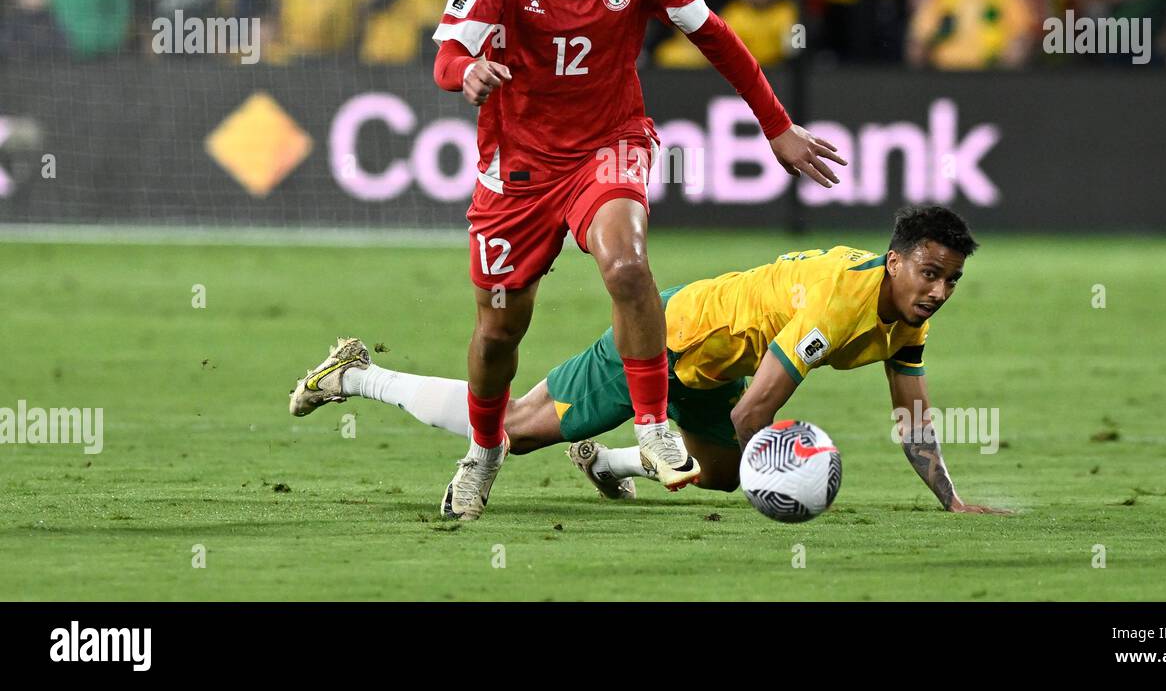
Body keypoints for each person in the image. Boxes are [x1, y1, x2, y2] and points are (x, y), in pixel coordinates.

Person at [297, 0, 843, 520]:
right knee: (499, 333)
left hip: (609, 144)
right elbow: (443, 60)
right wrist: (469, 71)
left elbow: (716, 36)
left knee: (625, 260)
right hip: (518, 166)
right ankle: (482, 452)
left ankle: (650, 424)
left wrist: (776, 125)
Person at [289, 205, 1009, 515]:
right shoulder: (841, 303)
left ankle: (609, 461)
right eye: (928, 273)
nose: (938, 291)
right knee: (508, 429)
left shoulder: (904, 317)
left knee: (725, 475)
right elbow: (755, 411)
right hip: (666, 337)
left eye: (950, 280)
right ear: (894, 260)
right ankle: (353, 373)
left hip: (717, 367)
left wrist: (950, 499)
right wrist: (789, 469)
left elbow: (912, 415)